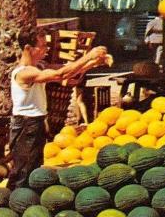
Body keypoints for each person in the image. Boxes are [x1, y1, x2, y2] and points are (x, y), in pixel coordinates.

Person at [8, 27, 109, 190]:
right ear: (28, 48)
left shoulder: (39, 66)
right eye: (42, 46)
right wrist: (88, 56)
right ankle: (10, 204)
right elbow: (60, 75)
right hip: (25, 126)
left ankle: (24, 202)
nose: (46, 50)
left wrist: (92, 63)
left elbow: (68, 73)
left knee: (33, 168)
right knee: (22, 172)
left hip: (35, 124)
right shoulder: (23, 73)